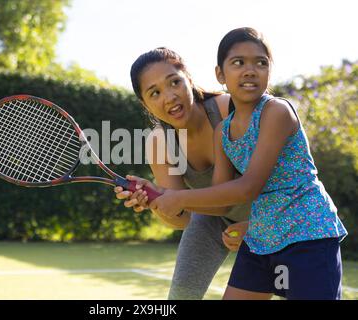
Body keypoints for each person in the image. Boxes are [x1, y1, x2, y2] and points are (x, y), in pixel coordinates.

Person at [139, 27, 348, 300]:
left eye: (260, 63)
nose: (250, 70)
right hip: (262, 236)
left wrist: (175, 197)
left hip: (308, 233)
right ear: (220, 74)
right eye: (238, 63)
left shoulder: (276, 111)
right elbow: (220, 204)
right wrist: (158, 196)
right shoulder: (222, 132)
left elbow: (248, 187)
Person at [114, 47, 251, 299]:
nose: (169, 97)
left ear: (188, 78)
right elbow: (184, 219)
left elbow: (278, 180)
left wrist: (256, 228)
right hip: (214, 220)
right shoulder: (160, 142)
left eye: (174, 82)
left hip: (275, 216)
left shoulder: (227, 109)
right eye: (154, 93)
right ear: (145, 104)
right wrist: (155, 201)